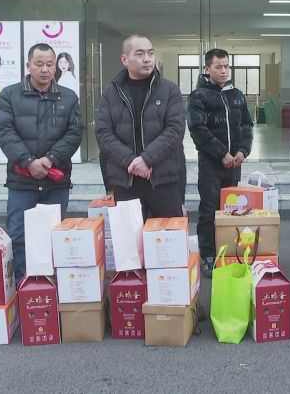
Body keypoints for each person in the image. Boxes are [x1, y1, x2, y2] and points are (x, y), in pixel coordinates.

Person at [0, 43, 83, 281]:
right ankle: (24, 287)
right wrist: (28, 161)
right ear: (28, 65)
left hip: (56, 181)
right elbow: (5, 132)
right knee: (19, 236)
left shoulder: (68, 97)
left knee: (54, 237)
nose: (45, 69)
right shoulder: (9, 95)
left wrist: (50, 159)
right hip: (22, 181)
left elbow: (74, 133)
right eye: (39, 64)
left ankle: (50, 288)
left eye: (50, 64)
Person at [96, 34, 185, 220]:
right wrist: (132, 161)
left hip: (163, 180)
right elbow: (104, 135)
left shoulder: (170, 90)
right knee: (129, 237)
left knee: (166, 235)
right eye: (140, 53)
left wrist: (146, 160)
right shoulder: (110, 93)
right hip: (125, 180)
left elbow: (175, 131)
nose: (147, 59)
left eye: (150, 53)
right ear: (124, 59)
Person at [187, 48, 254, 277]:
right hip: (211, 164)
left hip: (234, 164)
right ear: (208, 69)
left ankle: (229, 251)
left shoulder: (237, 95)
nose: (224, 71)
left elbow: (246, 125)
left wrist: (242, 151)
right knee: (209, 209)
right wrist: (221, 153)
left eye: (226, 66)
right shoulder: (198, 96)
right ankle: (208, 254)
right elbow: (198, 129)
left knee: (232, 210)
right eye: (218, 67)